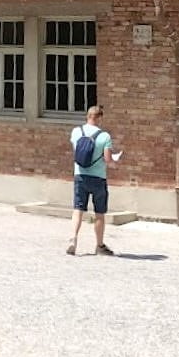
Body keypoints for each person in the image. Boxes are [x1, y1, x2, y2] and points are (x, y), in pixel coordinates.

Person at [66, 105, 114, 257]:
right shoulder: (104, 136)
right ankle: (99, 245)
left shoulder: (76, 132)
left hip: (80, 175)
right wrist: (114, 160)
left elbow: (77, 152)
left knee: (78, 209)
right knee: (99, 213)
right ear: (99, 118)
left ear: (87, 116)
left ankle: (73, 239)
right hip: (98, 177)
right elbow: (107, 159)